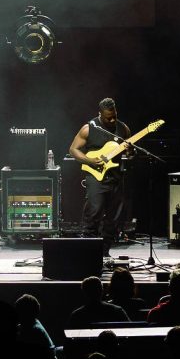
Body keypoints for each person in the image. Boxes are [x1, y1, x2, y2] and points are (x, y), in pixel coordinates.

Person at [68, 98, 132, 255]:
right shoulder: (89, 128)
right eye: (108, 118)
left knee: (114, 217)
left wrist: (131, 151)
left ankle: (104, 252)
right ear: (100, 114)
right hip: (95, 176)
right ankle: (88, 252)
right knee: (94, 212)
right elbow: (73, 150)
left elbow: (129, 154)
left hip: (116, 177)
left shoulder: (123, 129)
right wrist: (90, 160)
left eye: (114, 116)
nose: (112, 120)